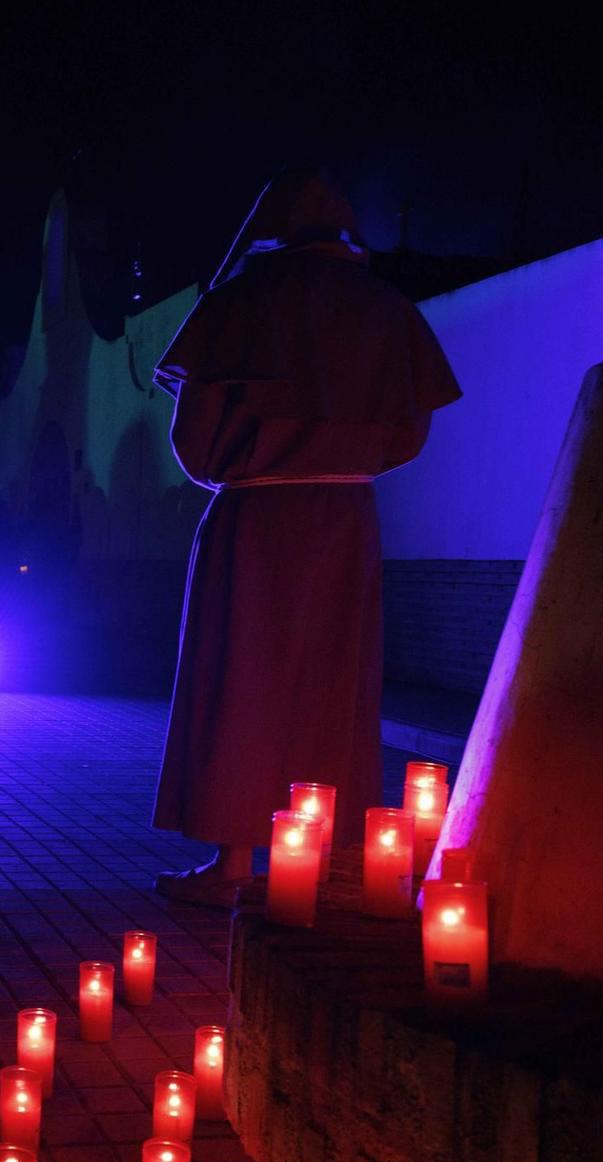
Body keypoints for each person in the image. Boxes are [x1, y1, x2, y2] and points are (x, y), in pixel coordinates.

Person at [151, 169, 461, 906]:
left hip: (253, 525)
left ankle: (232, 866)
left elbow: (194, 442)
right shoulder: (386, 310)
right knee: (330, 684)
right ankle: (317, 862)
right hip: (344, 525)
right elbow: (409, 433)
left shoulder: (238, 304)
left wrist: (260, 458)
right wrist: (342, 461)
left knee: (241, 681)